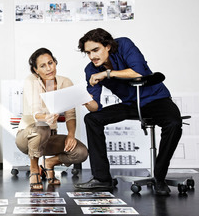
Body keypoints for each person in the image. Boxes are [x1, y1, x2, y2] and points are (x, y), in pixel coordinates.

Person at [74, 28, 183, 195]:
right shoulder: (91, 69)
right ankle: (102, 179)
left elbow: (139, 72)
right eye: (88, 53)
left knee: (174, 123)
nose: (92, 56)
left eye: (95, 50)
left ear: (108, 46)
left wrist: (107, 73)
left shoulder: (123, 44)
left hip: (156, 98)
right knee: (92, 119)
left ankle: (159, 176)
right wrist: (86, 100)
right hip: (131, 104)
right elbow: (95, 105)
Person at [16, 47, 88, 190]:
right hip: (28, 136)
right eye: (43, 66)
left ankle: (49, 163)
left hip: (49, 137)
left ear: (55, 62)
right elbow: (35, 111)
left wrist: (71, 135)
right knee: (42, 126)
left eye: (50, 63)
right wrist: (45, 117)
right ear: (35, 70)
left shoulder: (65, 82)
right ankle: (34, 168)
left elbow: (70, 114)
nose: (49, 68)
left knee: (81, 152)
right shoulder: (31, 81)